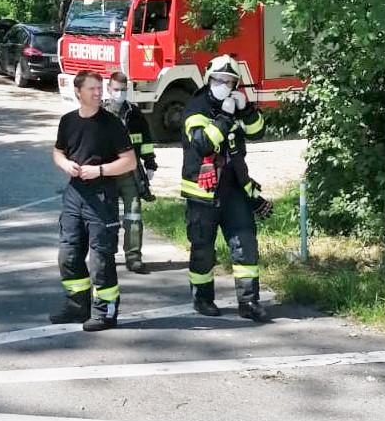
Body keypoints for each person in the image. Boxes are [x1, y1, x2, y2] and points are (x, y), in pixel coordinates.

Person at [179, 54, 274, 320]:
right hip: (203, 193)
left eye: (230, 81)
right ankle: (202, 299)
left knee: (245, 244)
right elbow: (202, 144)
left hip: (234, 189)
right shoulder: (195, 108)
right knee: (203, 249)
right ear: (209, 80)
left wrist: (246, 111)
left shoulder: (235, 103)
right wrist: (225, 117)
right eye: (220, 79)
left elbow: (257, 132)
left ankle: (249, 302)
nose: (224, 84)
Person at [49, 70, 137, 331]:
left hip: (102, 197)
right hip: (74, 195)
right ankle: (77, 305)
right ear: (78, 92)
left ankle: (105, 312)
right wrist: (66, 165)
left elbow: (129, 162)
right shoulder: (68, 121)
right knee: (69, 254)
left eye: (100, 88)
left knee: (101, 260)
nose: (99, 93)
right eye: (92, 89)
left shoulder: (111, 124)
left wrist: (99, 170)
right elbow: (57, 152)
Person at [103, 71, 158, 274]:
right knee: (105, 217)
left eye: (123, 90)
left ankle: (134, 257)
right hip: (105, 174)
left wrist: (150, 163)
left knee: (134, 215)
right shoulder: (100, 113)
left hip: (130, 173)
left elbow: (145, 141)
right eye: (116, 89)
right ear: (108, 89)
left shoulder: (134, 114)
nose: (119, 93)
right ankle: (105, 254)